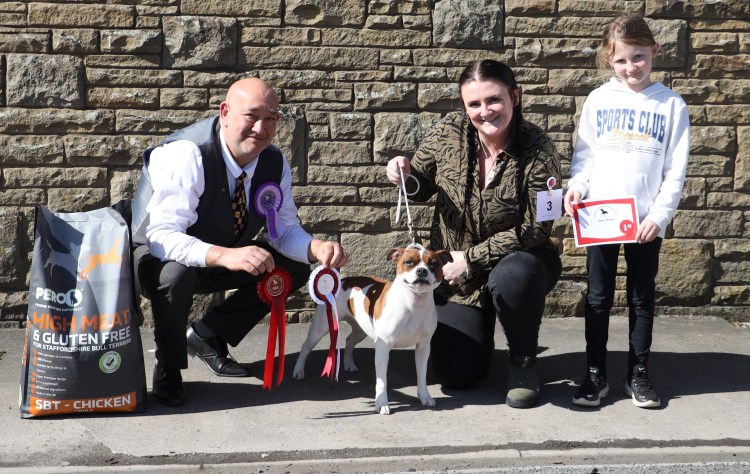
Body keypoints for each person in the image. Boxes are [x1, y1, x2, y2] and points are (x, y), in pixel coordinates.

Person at [130, 78, 350, 406]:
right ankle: (169, 367)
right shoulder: (187, 154)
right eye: (252, 115)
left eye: (271, 118)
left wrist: (315, 248)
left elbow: (282, 231)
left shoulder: (274, 162)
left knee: (294, 267)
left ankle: (209, 335)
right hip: (155, 258)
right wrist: (224, 255)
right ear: (225, 113)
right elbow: (162, 237)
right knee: (177, 275)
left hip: (221, 253)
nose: (261, 128)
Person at [386, 59, 562, 409]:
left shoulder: (540, 148)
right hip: (457, 277)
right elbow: (420, 186)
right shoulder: (447, 132)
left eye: (494, 100)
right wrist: (403, 174)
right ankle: (481, 334)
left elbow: (538, 227)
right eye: (474, 104)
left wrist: (470, 258)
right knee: (457, 376)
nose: (485, 111)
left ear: (515, 97)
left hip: (519, 262)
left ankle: (523, 361)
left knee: (514, 277)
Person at [564, 14, 690, 409]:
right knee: (598, 297)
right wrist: (577, 187)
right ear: (609, 59)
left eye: (638, 57)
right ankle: (595, 374)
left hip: (645, 222)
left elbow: (676, 170)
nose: (630, 67)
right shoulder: (599, 100)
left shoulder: (671, 104)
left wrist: (659, 216)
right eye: (620, 60)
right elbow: (584, 157)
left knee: (641, 298)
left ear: (654, 51)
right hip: (601, 216)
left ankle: (638, 373)